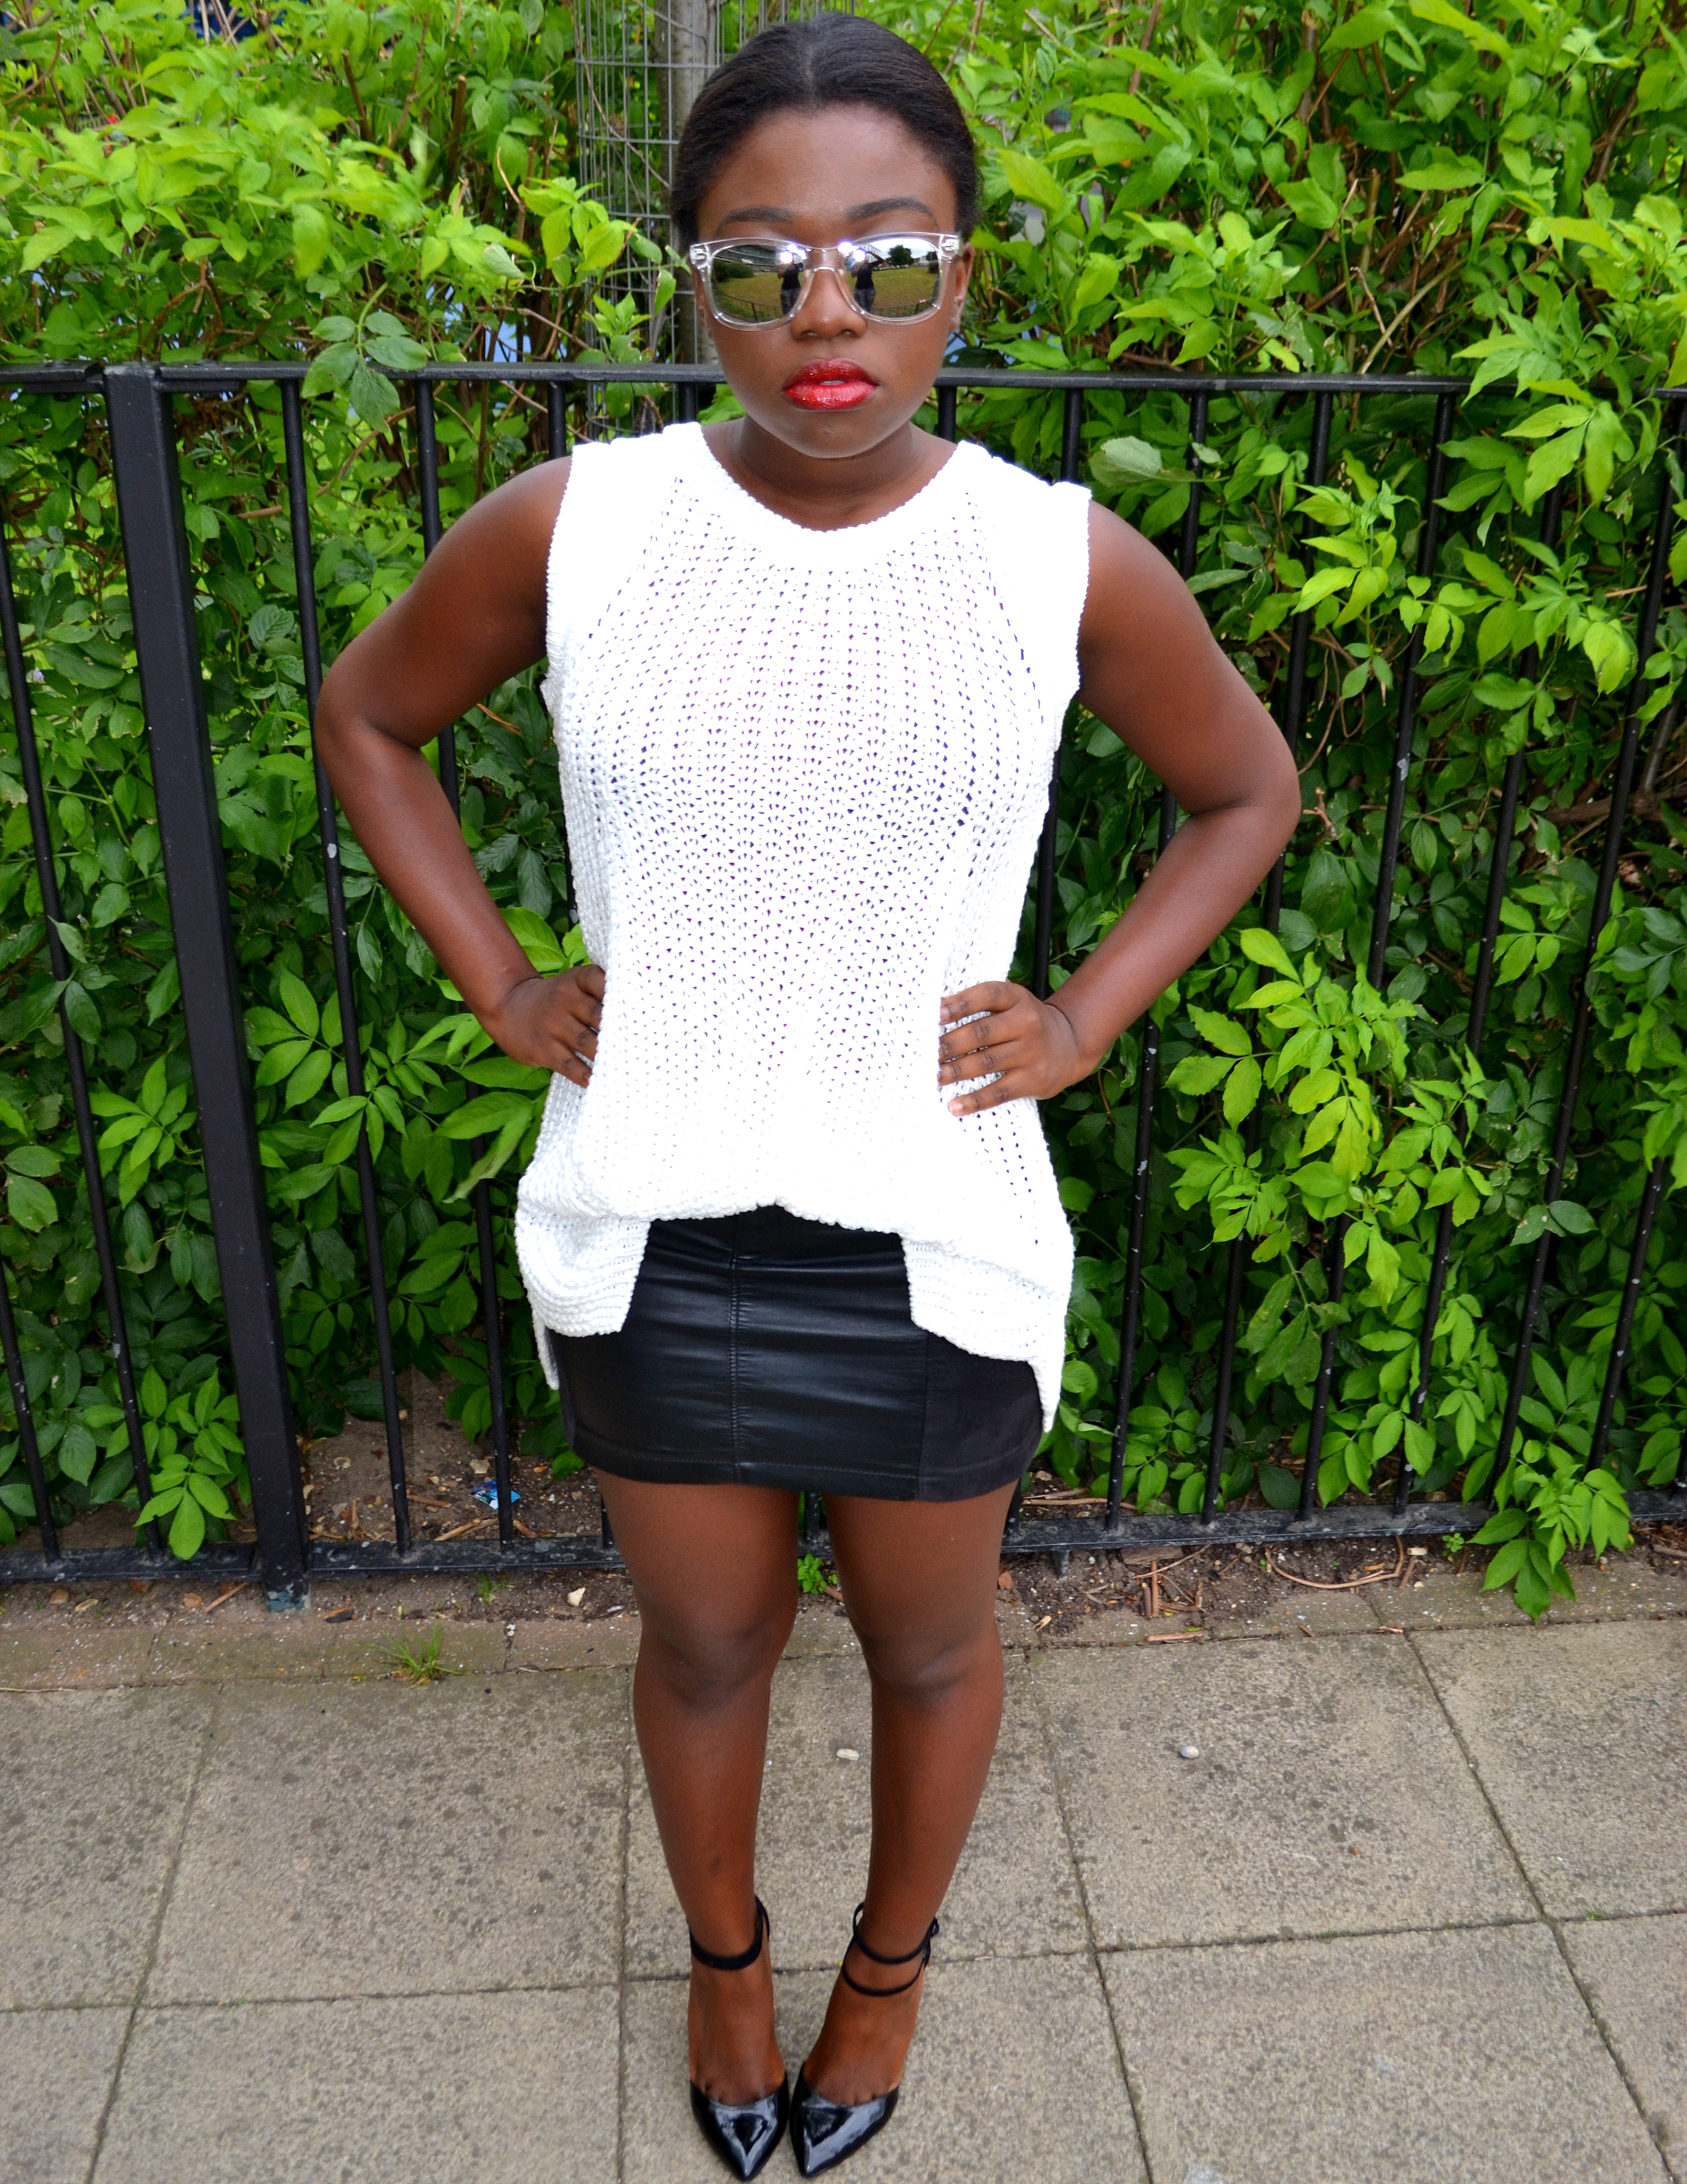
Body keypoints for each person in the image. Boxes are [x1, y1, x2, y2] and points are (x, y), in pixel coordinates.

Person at [317, 15, 1300, 2174]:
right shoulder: (577, 528)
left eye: (891, 256)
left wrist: (1086, 1016)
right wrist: (501, 978)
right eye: (761, 264)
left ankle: (887, 1980)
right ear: (696, 281)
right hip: (657, 1212)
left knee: (934, 1652)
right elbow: (366, 715)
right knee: (705, 1638)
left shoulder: (1057, 560)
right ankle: (728, 1966)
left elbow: (1247, 789)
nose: (827, 312)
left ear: (963, 275)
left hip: (934, 1232)